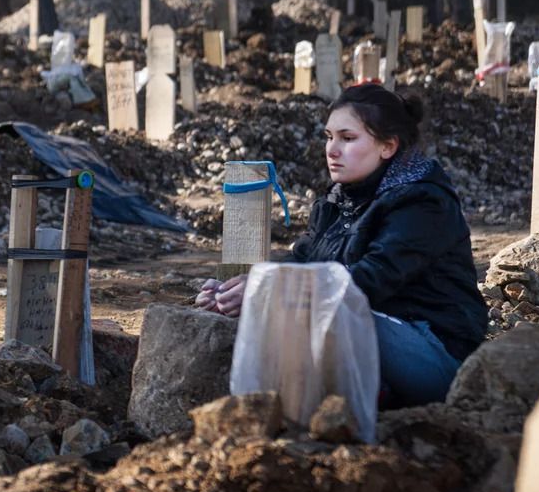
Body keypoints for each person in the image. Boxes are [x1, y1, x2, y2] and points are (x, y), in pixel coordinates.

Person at [197, 84, 485, 406]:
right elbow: (302, 261)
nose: (332, 150)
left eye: (347, 139)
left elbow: (371, 279)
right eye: (328, 136)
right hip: (373, 336)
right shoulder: (339, 198)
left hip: (434, 352)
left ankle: (340, 406)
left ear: (388, 146)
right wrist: (237, 290)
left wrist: (268, 290)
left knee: (325, 310)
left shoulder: (423, 204)